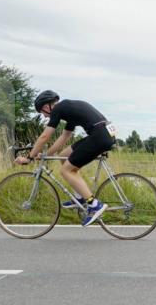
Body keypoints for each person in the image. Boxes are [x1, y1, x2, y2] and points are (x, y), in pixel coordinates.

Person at [17, 90, 114, 226]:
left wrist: (29, 157)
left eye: (42, 112)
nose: (44, 116)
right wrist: (46, 155)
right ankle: (79, 198)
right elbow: (64, 137)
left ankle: (94, 205)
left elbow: (45, 136)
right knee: (64, 156)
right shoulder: (68, 109)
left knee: (66, 171)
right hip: (104, 133)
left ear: (46, 106)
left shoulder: (59, 109)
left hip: (99, 136)